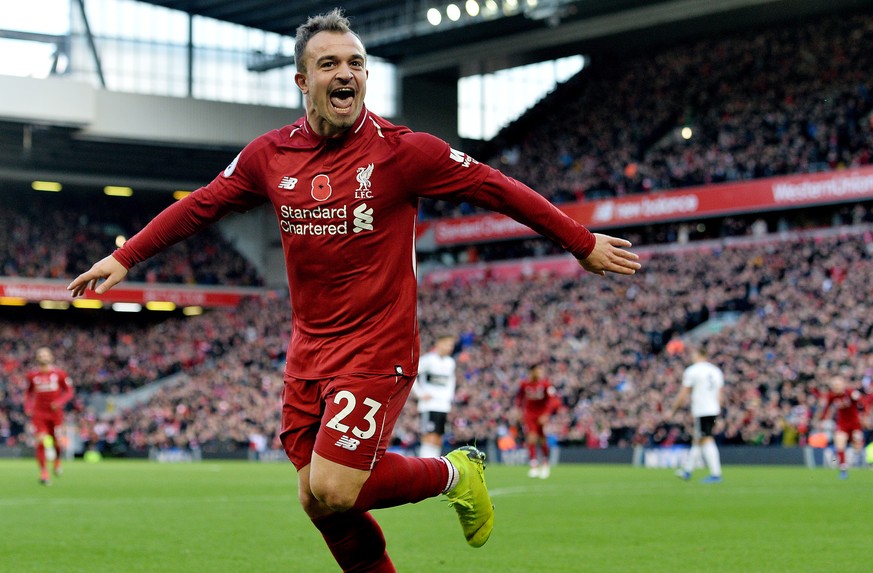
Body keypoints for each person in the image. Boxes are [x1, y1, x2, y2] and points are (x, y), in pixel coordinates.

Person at [67, 8, 641, 571]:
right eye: (329, 64)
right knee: (317, 502)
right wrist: (125, 256)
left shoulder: (404, 152)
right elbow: (200, 206)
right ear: (302, 80)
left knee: (337, 488)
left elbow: (498, 188)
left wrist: (580, 241)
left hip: (377, 343)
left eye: (356, 62)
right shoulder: (269, 155)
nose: (346, 73)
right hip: (308, 349)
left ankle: (455, 474)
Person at [670, 346, 724, 483]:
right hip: (713, 409)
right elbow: (720, 394)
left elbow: (684, 392)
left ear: (699, 354)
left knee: (706, 439)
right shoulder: (715, 371)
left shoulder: (693, 371)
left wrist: (674, 409)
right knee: (699, 439)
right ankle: (687, 470)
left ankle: (716, 474)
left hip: (702, 409)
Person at [24, 347, 74, 485]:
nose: (43, 356)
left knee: (57, 442)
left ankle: (57, 461)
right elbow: (28, 393)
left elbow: (69, 392)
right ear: (37, 358)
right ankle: (44, 472)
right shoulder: (32, 375)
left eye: (46, 354)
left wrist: (59, 402)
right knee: (40, 441)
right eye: (41, 355)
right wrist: (28, 407)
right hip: (39, 414)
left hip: (55, 414)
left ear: (51, 356)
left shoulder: (60, 374)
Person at [412, 334, 458, 458]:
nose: (450, 347)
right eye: (447, 344)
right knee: (429, 435)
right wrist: (420, 394)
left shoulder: (450, 363)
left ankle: (434, 465)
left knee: (438, 436)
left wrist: (449, 400)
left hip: (443, 406)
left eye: (451, 345)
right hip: (429, 405)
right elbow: (412, 375)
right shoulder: (428, 360)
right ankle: (424, 466)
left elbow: (451, 383)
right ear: (439, 344)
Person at [814, 374, 867, 479]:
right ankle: (843, 469)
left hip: (855, 424)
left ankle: (863, 463)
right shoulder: (831, 396)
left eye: (838, 385)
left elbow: (863, 404)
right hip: (842, 424)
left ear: (843, 384)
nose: (836, 387)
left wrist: (863, 415)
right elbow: (826, 409)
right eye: (834, 385)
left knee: (857, 446)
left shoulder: (851, 393)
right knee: (840, 444)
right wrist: (822, 420)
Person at [515, 363, 561, 478]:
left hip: (542, 414)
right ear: (532, 372)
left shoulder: (545, 384)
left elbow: (553, 400)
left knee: (542, 439)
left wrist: (547, 414)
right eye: (538, 370)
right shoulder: (525, 384)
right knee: (531, 438)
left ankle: (545, 464)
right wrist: (519, 411)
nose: (540, 373)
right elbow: (519, 399)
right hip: (530, 415)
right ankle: (533, 465)